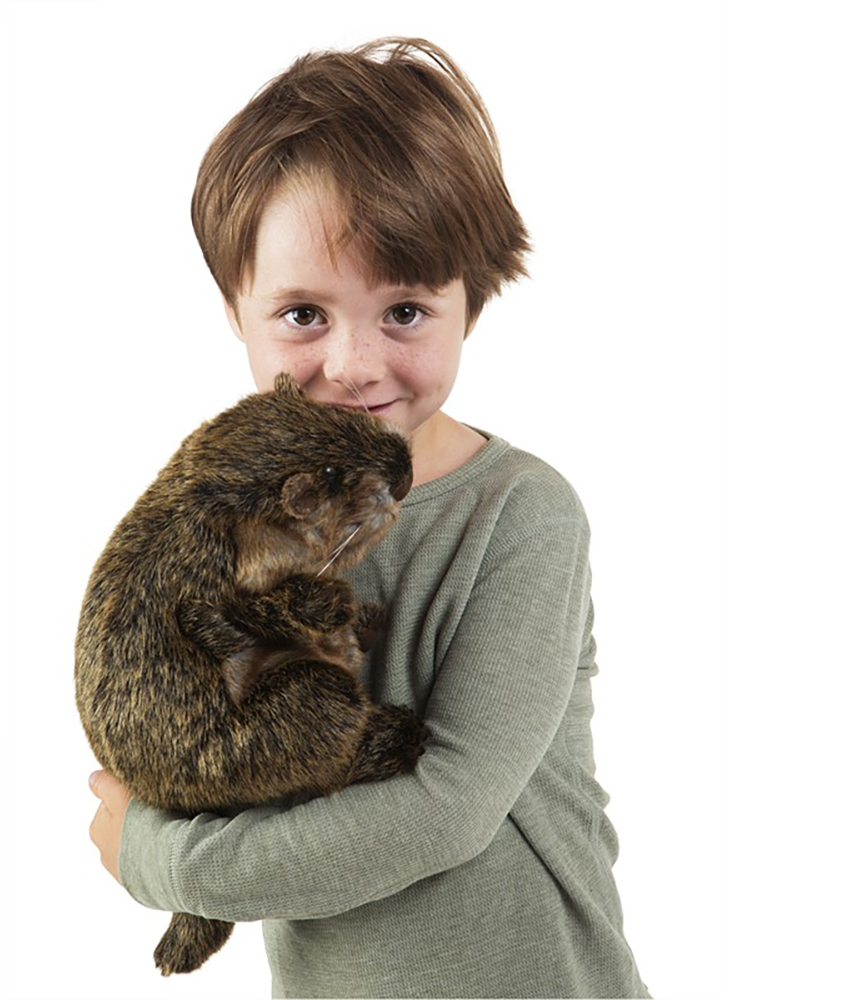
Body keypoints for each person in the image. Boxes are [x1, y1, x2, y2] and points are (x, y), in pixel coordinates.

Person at [88, 36, 652, 999]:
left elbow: (444, 813)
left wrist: (164, 862)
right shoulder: (230, 524)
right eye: (304, 314)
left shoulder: (520, 515)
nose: (352, 366)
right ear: (234, 309)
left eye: (405, 311)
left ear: (472, 301)